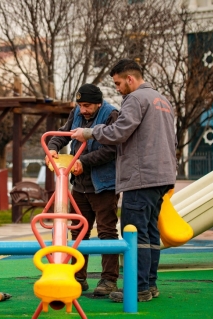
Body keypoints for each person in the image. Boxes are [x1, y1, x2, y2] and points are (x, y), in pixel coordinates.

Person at [71, 59, 177, 303]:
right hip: (161, 176)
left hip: (141, 177)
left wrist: (89, 132)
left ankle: (137, 288)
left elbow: (119, 131)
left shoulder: (136, 99)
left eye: (118, 83)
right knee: (150, 234)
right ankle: (149, 285)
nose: (117, 89)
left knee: (133, 234)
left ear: (130, 79)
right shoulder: (162, 100)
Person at [46, 83, 121, 297]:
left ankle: (108, 279)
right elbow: (63, 134)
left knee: (107, 231)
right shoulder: (76, 114)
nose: (83, 110)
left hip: (103, 184)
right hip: (80, 185)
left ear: (98, 103)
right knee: (78, 231)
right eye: (80, 105)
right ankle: (78, 276)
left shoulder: (110, 115)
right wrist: (52, 147)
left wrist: (83, 163)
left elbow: (111, 149)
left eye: (87, 105)